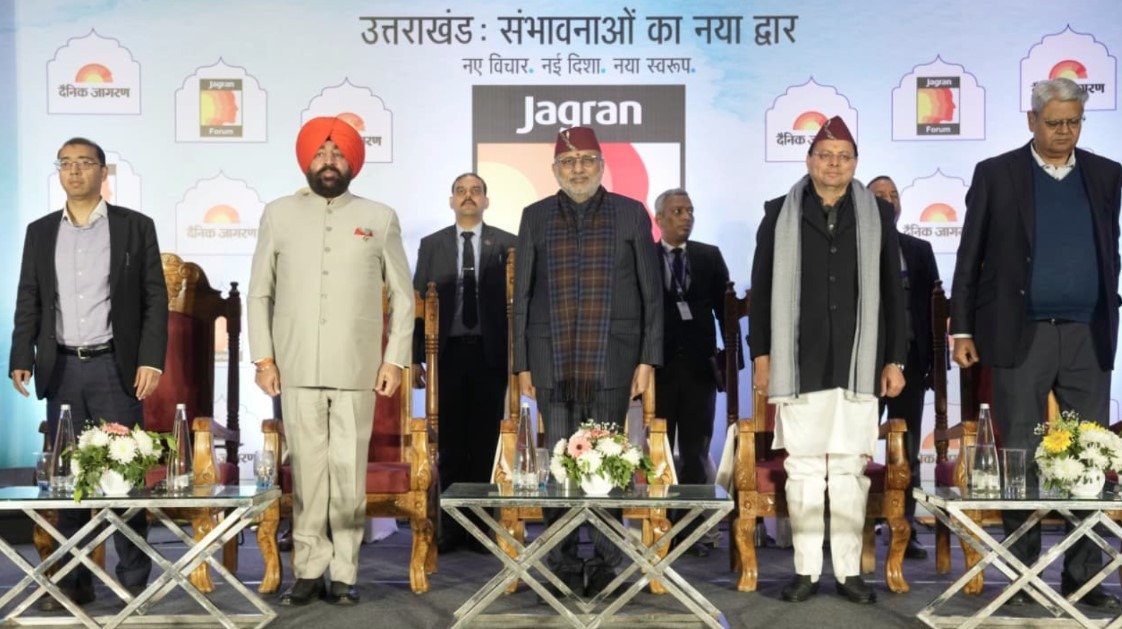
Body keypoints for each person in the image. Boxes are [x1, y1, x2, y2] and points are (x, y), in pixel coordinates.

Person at [950, 77, 1122, 609]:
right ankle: (1021, 578)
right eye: (1054, 123)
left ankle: (1083, 577)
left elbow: (1107, 248)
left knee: (1087, 456)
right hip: (1018, 333)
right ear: (1032, 121)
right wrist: (962, 328)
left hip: (1087, 334)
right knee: (1021, 454)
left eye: (1073, 122)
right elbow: (969, 255)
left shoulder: (1106, 174)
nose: (1064, 132)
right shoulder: (996, 174)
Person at [248, 116, 413, 606]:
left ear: (351, 163)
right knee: (307, 475)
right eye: (320, 153)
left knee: (347, 474)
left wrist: (395, 360)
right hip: (294, 366)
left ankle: (344, 572)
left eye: (338, 153)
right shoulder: (277, 214)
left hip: (358, 369)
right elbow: (259, 293)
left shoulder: (379, 217)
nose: (328, 161)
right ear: (306, 160)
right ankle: (308, 569)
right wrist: (263, 358)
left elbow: (403, 297)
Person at [749, 116, 906, 605]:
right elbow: (761, 291)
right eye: (825, 155)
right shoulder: (780, 212)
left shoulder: (877, 214)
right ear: (809, 160)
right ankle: (805, 571)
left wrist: (895, 359)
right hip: (800, 361)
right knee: (802, 470)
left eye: (843, 157)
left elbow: (893, 293)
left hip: (860, 362)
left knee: (849, 470)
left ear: (855, 163)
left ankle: (849, 573)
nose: (834, 164)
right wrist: (761, 354)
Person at [9, 137, 167, 611]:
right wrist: (21, 355)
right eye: (66, 163)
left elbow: (154, 298)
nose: (74, 171)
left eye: (84, 163)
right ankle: (73, 582)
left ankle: (133, 583)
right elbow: (29, 296)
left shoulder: (134, 227)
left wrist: (151, 359)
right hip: (62, 369)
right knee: (69, 480)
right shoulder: (40, 232)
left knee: (125, 477)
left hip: (115, 368)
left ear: (103, 172)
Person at [512, 126, 663, 596]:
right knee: (560, 464)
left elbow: (652, 293)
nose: (577, 169)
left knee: (606, 465)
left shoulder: (630, 213)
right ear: (555, 169)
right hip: (551, 360)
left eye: (586, 160)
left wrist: (648, 358)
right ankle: (559, 562)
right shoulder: (535, 216)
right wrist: (522, 364)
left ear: (601, 165)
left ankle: (603, 562)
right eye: (568, 161)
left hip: (613, 359)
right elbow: (522, 298)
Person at [411, 172, 516, 553]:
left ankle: (481, 528)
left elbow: (519, 305)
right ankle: (452, 529)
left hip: (491, 354)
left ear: (486, 201)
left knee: (485, 442)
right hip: (447, 354)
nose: (468, 196)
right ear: (451, 201)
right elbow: (418, 304)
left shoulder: (508, 244)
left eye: (475, 191)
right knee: (452, 443)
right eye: (461, 191)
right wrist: (415, 357)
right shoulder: (432, 245)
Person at [651, 187, 732, 558]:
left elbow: (726, 312)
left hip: (700, 369)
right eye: (677, 211)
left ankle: (690, 531)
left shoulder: (708, 256)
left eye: (690, 210)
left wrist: (730, 364)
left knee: (696, 451)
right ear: (659, 219)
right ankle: (659, 527)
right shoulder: (645, 257)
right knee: (659, 451)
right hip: (659, 369)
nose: (686, 217)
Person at [868, 175, 940, 561]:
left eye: (893, 194)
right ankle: (855, 525)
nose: (888, 200)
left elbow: (932, 309)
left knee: (908, 450)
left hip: (910, 362)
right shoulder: (854, 247)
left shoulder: (919, 249)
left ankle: (904, 527)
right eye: (879, 194)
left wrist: (932, 364)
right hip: (863, 364)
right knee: (856, 447)